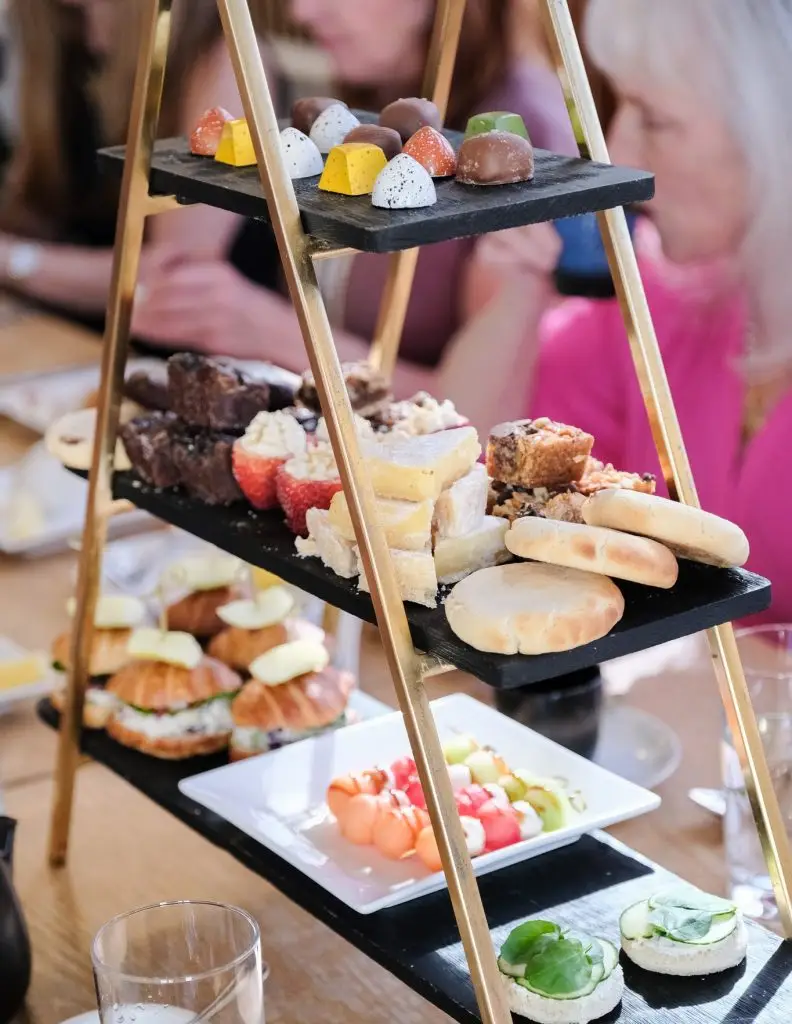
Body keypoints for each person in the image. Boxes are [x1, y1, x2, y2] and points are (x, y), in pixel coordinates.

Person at [450, 0, 792, 620]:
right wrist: (519, 295)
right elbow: (468, 474)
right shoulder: (655, 298)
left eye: (655, 119)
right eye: (620, 106)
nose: (619, 149)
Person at [131, 0, 578, 397]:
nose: (301, 12)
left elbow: (488, 412)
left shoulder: (517, 136)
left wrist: (272, 331)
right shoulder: (373, 98)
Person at [0, 0, 264, 327]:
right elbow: (31, 210)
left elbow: (175, 272)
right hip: (66, 331)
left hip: (180, 350)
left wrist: (17, 261)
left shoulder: (218, 49)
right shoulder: (48, 28)